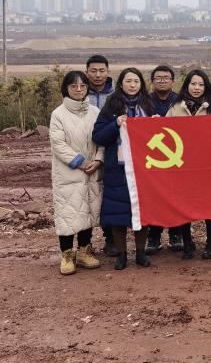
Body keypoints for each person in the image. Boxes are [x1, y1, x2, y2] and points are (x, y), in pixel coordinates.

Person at [92, 67, 156, 270]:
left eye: (136, 81)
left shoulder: (148, 104)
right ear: (121, 83)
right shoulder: (111, 105)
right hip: (117, 167)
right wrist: (115, 124)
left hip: (144, 168)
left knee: (142, 212)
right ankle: (121, 254)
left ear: (141, 84)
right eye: (128, 81)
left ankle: (140, 253)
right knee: (118, 213)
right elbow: (98, 135)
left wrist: (157, 123)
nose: (132, 85)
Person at [49, 70, 104, 275]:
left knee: (87, 211)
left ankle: (83, 252)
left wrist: (98, 159)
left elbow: (102, 139)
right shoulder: (58, 114)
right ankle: (66, 255)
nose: (79, 89)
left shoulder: (95, 112)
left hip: (92, 171)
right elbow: (58, 144)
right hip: (69, 173)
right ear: (66, 88)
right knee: (68, 213)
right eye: (74, 86)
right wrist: (81, 162)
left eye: (82, 86)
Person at [166, 69, 211, 259]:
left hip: (207, 166)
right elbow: (165, 132)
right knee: (184, 205)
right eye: (193, 84)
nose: (197, 88)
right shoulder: (175, 108)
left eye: (201, 84)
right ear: (186, 85)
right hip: (182, 166)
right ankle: (188, 244)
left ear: (206, 87)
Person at [145, 64, 183, 255]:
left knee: (177, 196)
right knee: (154, 197)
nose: (162, 81)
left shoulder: (180, 101)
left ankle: (176, 234)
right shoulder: (144, 102)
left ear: (172, 81)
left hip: (177, 155)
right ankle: (154, 236)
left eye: (166, 78)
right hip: (151, 158)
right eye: (158, 78)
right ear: (152, 81)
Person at [85, 53, 117, 256]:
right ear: (87, 72)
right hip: (85, 152)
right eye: (94, 71)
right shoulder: (79, 92)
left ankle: (111, 238)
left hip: (111, 150)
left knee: (110, 195)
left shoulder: (116, 95)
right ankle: (84, 243)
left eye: (101, 71)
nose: (98, 75)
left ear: (108, 71)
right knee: (85, 197)